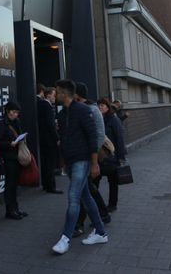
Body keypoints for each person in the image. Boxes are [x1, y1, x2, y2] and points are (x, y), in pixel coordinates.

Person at [52, 79, 108, 254]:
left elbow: (93, 138)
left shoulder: (84, 111)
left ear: (64, 93)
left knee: (73, 196)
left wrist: (94, 163)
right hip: (70, 162)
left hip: (82, 161)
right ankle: (100, 232)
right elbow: (63, 140)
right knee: (86, 197)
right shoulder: (61, 115)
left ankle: (65, 238)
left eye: (57, 92)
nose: (55, 95)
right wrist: (63, 162)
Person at [73, 83, 109, 235]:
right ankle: (103, 214)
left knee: (82, 189)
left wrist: (92, 158)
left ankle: (79, 223)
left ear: (78, 95)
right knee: (88, 188)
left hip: (87, 157)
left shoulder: (91, 110)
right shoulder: (81, 109)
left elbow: (98, 135)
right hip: (82, 156)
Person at [0, 101, 27, 219]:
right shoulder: (1, 124)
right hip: (8, 157)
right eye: (13, 112)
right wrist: (10, 144)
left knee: (15, 184)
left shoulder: (16, 122)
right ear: (7, 111)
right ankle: (10, 210)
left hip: (16, 155)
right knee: (10, 184)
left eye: (17, 112)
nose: (15, 115)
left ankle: (15, 208)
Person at [102, 98, 126, 212]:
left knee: (113, 182)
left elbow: (119, 139)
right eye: (99, 105)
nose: (100, 107)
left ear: (108, 107)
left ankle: (112, 204)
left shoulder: (114, 120)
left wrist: (121, 157)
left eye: (103, 105)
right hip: (100, 157)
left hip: (112, 156)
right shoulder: (98, 119)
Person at [37, 83, 62, 193]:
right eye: (53, 95)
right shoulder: (47, 106)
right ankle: (51, 186)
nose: (55, 97)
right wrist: (57, 138)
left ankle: (47, 185)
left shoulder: (41, 105)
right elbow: (50, 125)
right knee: (50, 163)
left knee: (46, 163)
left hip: (43, 139)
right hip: (49, 140)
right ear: (48, 95)